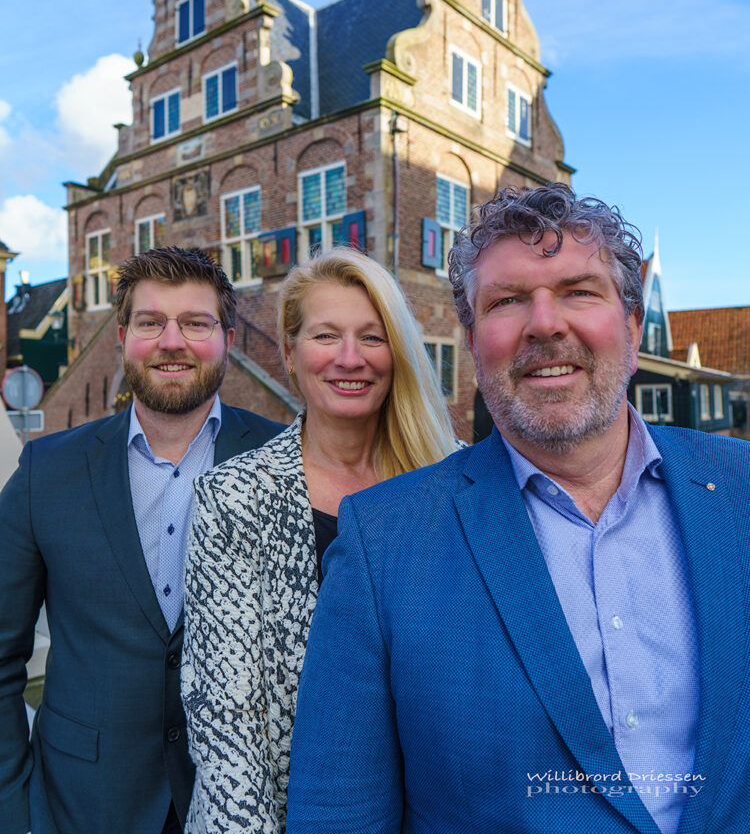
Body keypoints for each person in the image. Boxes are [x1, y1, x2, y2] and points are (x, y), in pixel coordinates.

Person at [286, 185, 750, 834]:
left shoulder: (739, 487)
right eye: (506, 301)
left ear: (632, 327)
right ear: (473, 344)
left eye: (578, 291)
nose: (545, 324)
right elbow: (338, 811)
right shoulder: (383, 540)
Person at [0, 246, 283, 834]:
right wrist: (14, 809)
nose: (172, 342)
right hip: (81, 806)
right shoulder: (45, 472)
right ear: (122, 337)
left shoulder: (284, 460)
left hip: (242, 806)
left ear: (228, 339)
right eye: (151, 322)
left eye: (196, 323)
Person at [181, 246, 459, 834]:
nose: (349, 358)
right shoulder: (234, 497)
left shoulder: (458, 482)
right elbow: (227, 720)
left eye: (372, 337)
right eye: (326, 335)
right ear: (290, 352)